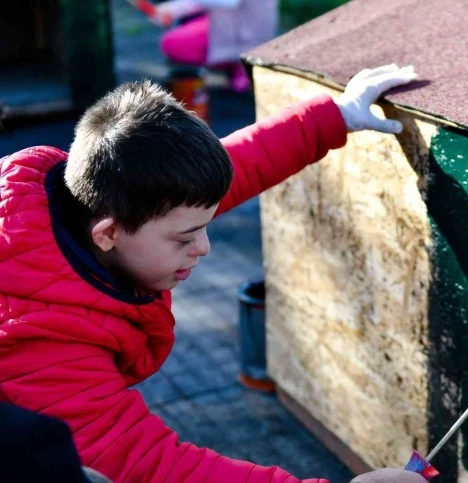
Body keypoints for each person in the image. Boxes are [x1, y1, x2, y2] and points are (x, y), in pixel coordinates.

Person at [0, 64, 422, 482]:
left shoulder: (78, 199)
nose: (203, 247)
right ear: (108, 233)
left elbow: (228, 174)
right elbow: (146, 465)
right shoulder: (41, 343)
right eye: (185, 239)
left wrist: (337, 115)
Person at [154, 0, 278, 92]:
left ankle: (240, 63)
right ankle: (238, 63)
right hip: (229, 20)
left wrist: (175, 8)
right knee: (177, 34)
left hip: (245, 31)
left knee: (172, 43)